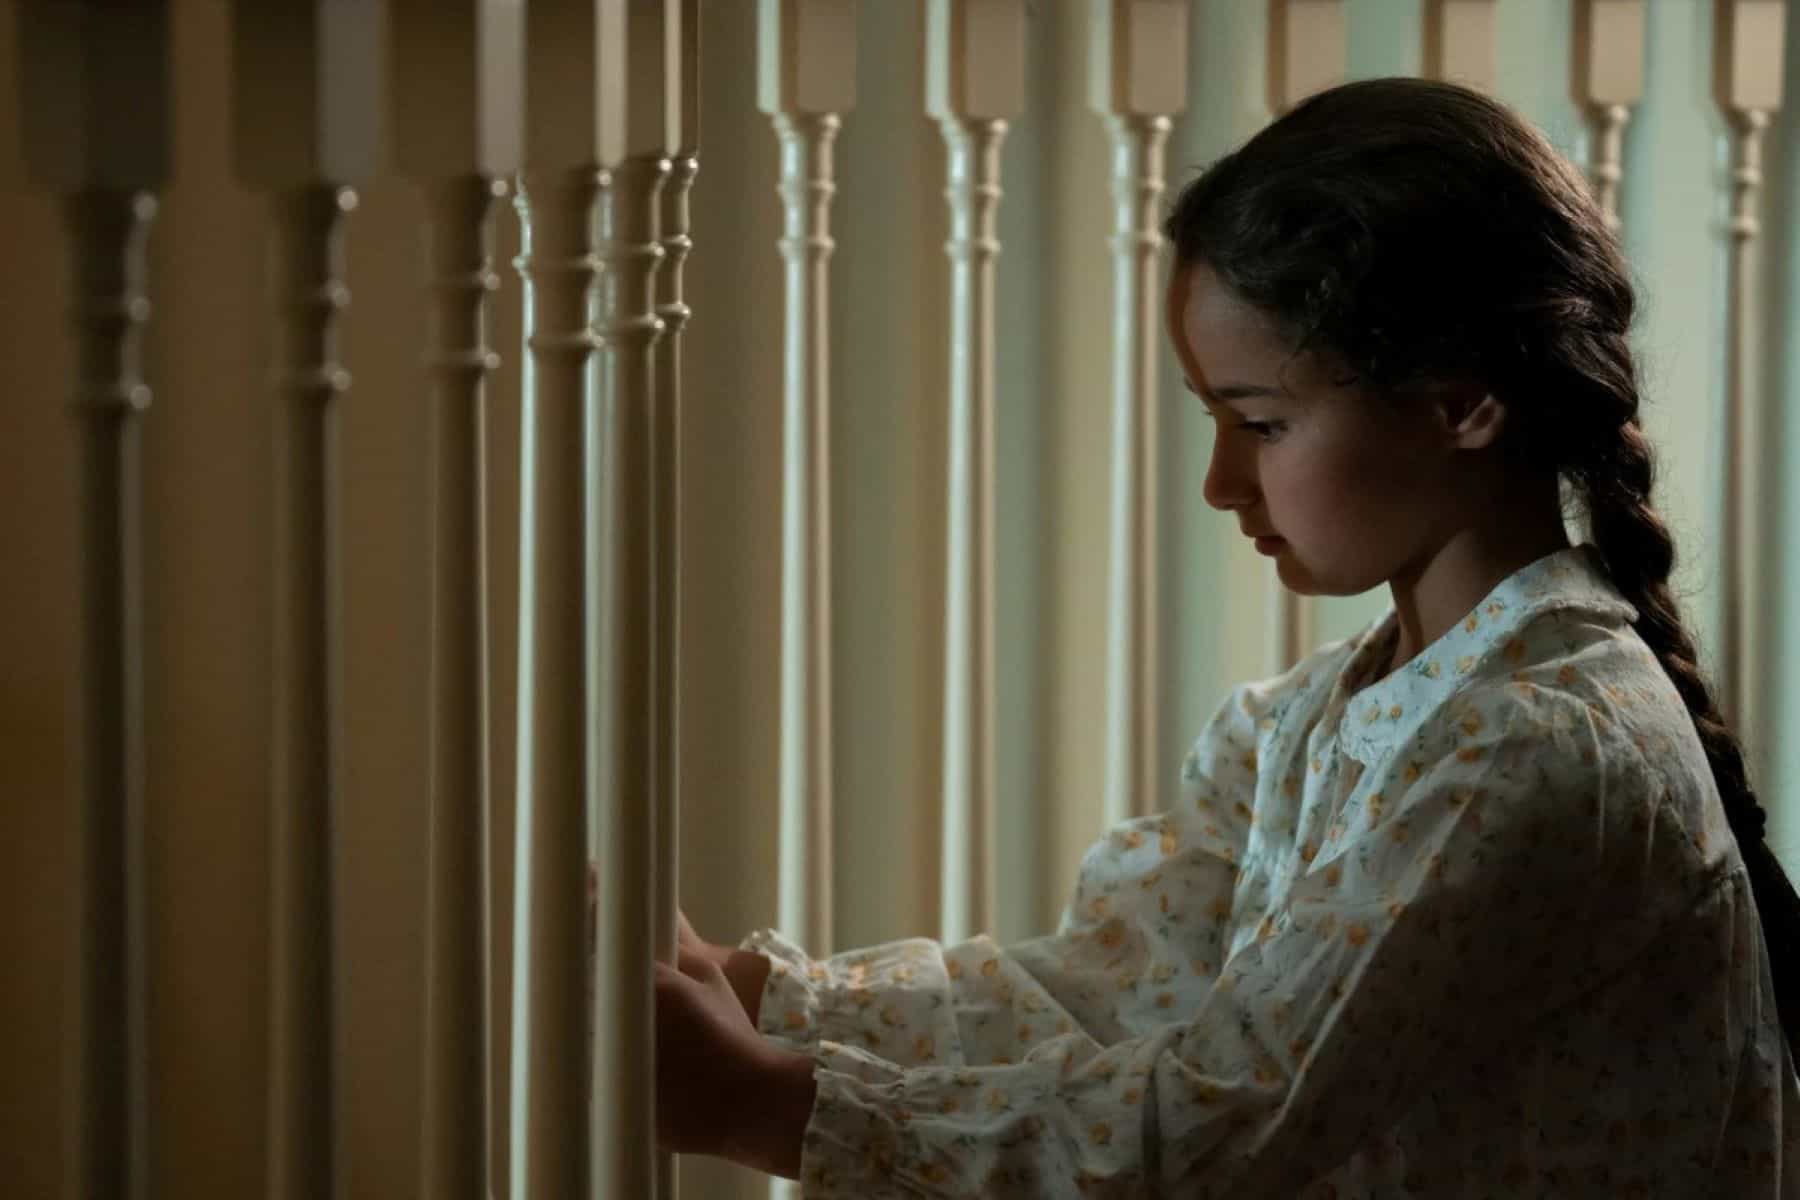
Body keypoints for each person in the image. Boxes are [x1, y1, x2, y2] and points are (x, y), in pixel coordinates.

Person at [653, 77, 1800, 1196]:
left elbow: (1218, 1128)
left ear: (1462, 403)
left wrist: (767, 1104)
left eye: (1262, 423)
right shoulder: (1327, 717)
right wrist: (747, 992)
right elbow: (1107, 989)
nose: (1219, 482)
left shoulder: (1540, 758)